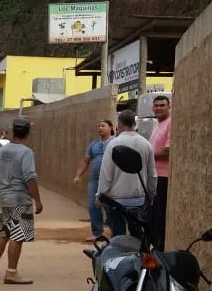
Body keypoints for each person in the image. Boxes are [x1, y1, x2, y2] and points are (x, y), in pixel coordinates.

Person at [0, 115, 43, 285]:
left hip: (4, 199)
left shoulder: (3, 150)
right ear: (28, 132)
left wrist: (5, 189)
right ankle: (11, 273)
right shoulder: (26, 152)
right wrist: (37, 201)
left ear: (13, 131)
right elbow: (30, 178)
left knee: (3, 233)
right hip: (19, 199)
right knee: (17, 236)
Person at [96, 110, 157, 239]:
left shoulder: (113, 144)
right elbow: (152, 174)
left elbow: (106, 173)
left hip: (116, 200)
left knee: (118, 235)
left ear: (118, 125)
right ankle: (137, 257)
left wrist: (100, 195)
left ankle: (119, 258)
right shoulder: (146, 144)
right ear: (134, 124)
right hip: (139, 199)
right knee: (137, 236)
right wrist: (151, 194)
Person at [73, 119, 115, 242]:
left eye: (103, 125)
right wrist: (78, 175)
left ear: (111, 128)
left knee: (110, 206)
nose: (100, 128)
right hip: (95, 179)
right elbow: (86, 160)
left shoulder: (114, 142)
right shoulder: (94, 144)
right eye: (99, 126)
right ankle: (97, 232)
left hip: (110, 180)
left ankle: (116, 233)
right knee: (92, 205)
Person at [149, 95, 171, 251]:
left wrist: (148, 155)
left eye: (162, 105)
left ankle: (160, 249)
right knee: (154, 215)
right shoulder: (157, 125)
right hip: (155, 176)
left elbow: (168, 151)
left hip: (164, 177)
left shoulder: (170, 123)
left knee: (160, 215)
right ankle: (156, 247)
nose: (158, 108)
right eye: (156, 106)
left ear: (169, 107)